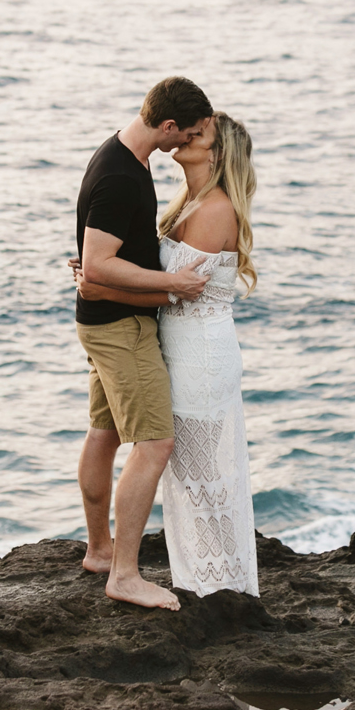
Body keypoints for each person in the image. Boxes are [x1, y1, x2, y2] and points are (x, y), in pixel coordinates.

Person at [81, 111, 260, 597]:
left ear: (217, 153)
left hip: (201, 354)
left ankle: (220, 585)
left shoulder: (216, 209)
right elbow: (155, 275)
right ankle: (200, 576)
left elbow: (179, 294)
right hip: (178, 346)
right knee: (186, 470)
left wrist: (101, 290)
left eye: (198, 135)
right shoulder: (190, 202)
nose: (184, 137)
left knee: (203, 470)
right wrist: (104, 273)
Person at [74, 77, 214, 610]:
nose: (188, 143)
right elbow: (100, 263)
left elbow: (99, 258)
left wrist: (95, 273)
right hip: (123, 329)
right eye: (190, 134)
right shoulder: (121, 176)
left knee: (104, 433)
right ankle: (125, 576)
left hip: (101, 320)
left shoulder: (117, 156)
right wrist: (172, 284)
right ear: (169, 125)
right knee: (154, 444)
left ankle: (101, 552)